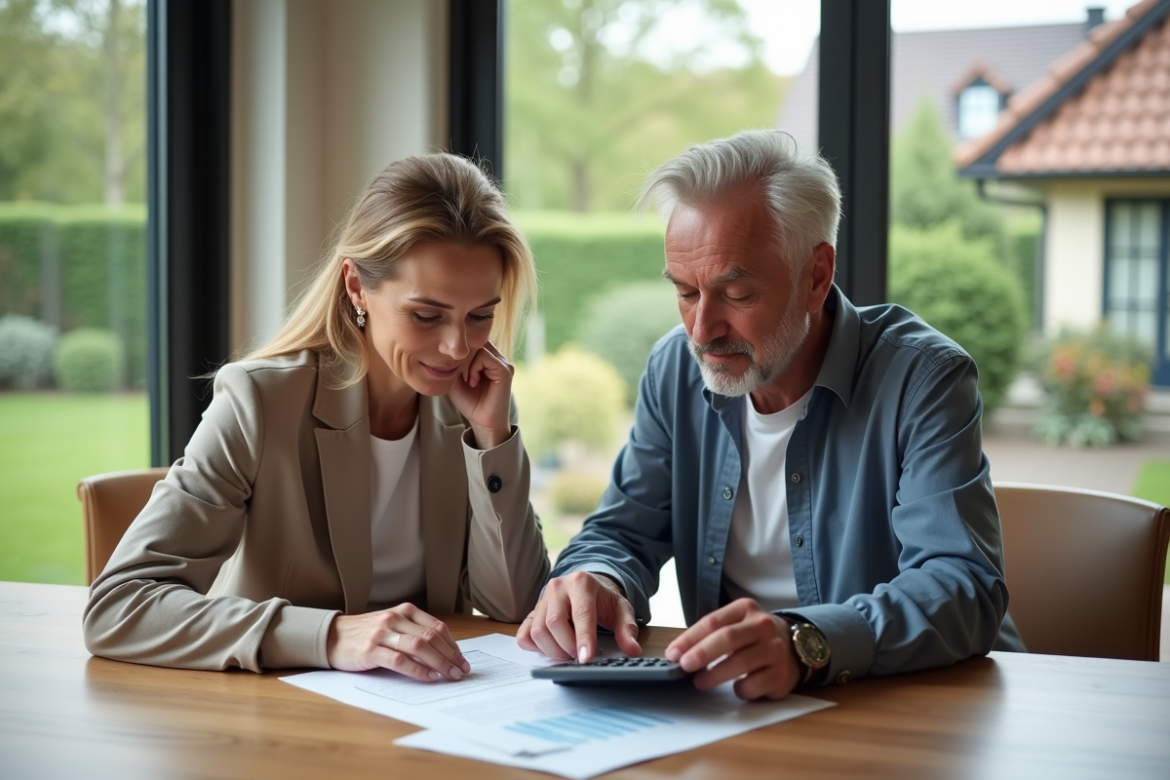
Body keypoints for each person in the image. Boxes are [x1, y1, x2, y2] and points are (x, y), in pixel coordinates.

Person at [518, 130, 1025, 700]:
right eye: (685, 292)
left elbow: (963, 586)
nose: (702, 330)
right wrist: (596, 579)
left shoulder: (923, 378)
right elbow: (622, 530)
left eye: (735, 295)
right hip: (744, 707)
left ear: (815, 276)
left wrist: (805, 641)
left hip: (922, 706)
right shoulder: (674, 370)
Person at [85, 153, 550, 680]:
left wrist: (492, 439)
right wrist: (329, 634)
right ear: (357, 288)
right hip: (276, 714)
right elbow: (118, 608)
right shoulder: (259, 403)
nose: (456, 346)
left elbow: (515, 607)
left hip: (426, 707)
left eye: (480, 316)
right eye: (426, 315)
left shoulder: (477, 403)